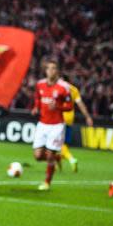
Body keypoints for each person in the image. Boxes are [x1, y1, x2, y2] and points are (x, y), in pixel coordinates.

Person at [31, 59, 73, 191]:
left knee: (49, 155)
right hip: (42, 124)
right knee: (37, 156)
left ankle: (47, 182)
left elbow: (70, 106)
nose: (51, 71)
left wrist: (58, 106)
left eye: (54, 68)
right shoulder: (40, 84)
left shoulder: (64, 87)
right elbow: (38, 97)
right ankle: (57, 158)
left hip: (56, 126)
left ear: (58, 71)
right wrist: (36, 107)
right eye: (49, 68)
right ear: (45, 71)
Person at [59, 80, 94, 172]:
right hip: (70, 118)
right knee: (63, 145)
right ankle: (57, 166)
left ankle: (71, 159)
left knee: (57, 144)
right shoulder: (74, 90)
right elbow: (81, 105)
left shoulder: (58, 87)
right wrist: (88, 117)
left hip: (60, 117)